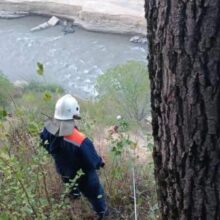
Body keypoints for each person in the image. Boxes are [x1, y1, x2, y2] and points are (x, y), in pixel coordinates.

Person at [40, 94, 108, 219]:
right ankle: (102, 214)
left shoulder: (48, 127)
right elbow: (93, 162)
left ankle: (75, 208)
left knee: (72, 192)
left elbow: (44, 143)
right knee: (97, 195)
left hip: (64, 172)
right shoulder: (80, 139)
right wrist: (100, 161)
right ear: (74, 114)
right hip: (85, 177)